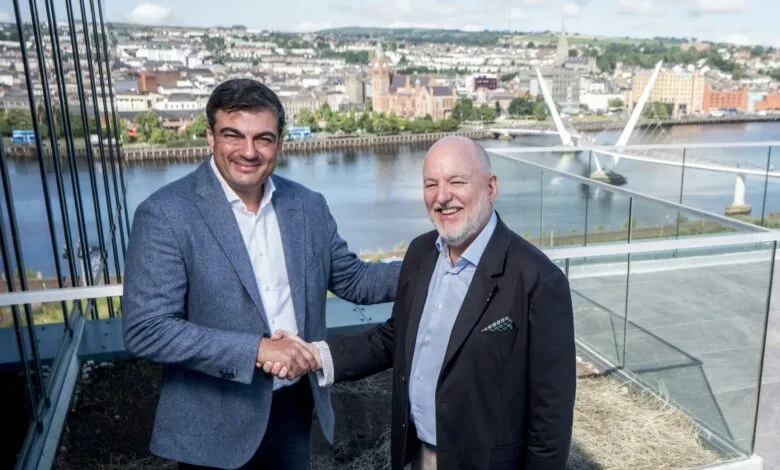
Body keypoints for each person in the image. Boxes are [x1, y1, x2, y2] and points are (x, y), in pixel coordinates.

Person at [122, 78, 401, 470]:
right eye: (233, 135)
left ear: (280, 142)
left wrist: (437, 261)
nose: (249, 152)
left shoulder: (307, 205)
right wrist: (258, 349)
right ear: (210, 137)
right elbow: (147, 329)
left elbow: (354, 279)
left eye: (263, 138)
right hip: (214, 423)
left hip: (292, 408)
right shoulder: (165, 214)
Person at [267, 135, 576, 470]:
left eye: (457, 181)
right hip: (418, 457)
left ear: (491, 187)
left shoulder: (538, 281)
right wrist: (313, 355)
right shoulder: (420, 253)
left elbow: (551, 416)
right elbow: (393, 338)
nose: (442, 196)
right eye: (431, 184)